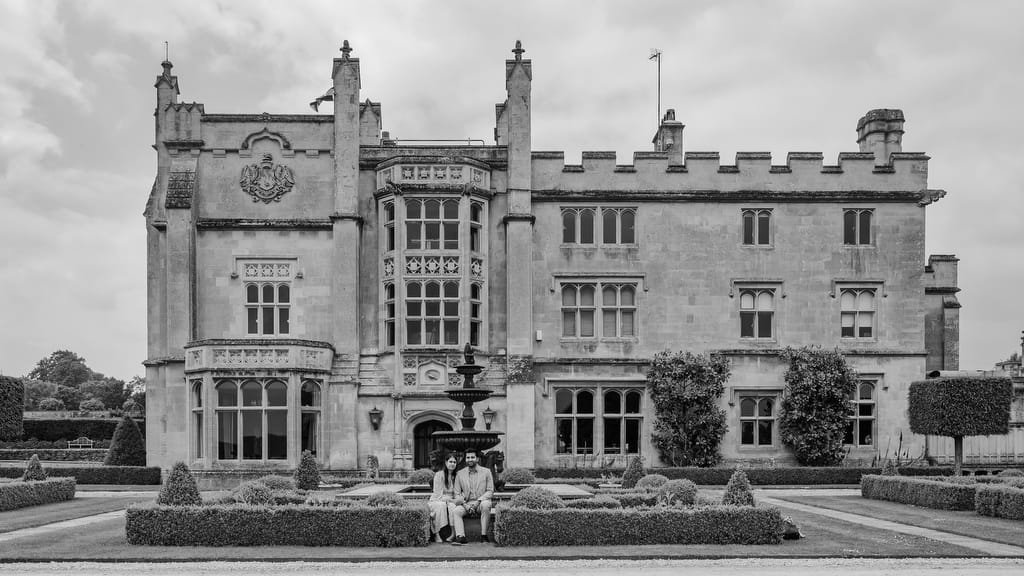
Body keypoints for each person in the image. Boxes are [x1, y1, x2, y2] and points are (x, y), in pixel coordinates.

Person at [451, 447, 494, 544]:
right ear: (465, 459)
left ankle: (484, 535)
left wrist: (478, 502)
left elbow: (490, 491)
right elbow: (457, 493)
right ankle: (461, 537)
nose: (470, 459)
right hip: (466, 503)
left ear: (477, 459)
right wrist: (465, 505)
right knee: (456, 511)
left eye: (472, 457)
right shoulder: (460, 474)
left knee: (486, 504)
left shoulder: (486, 472)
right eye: (468, 457)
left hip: (481, 502)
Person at [428, 453, 459, 543]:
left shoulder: (456, 476)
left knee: (452, 507)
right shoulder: (439, 475)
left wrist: (452, 500)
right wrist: (446, 499)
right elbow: (437, 492)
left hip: (451, 500)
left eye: (454, 462)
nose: (452, 464)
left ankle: (453, 534)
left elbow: (457, 493)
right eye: (450, 461)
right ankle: (437, 534)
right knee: (440, 506)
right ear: (446, 463)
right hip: (437, 499)